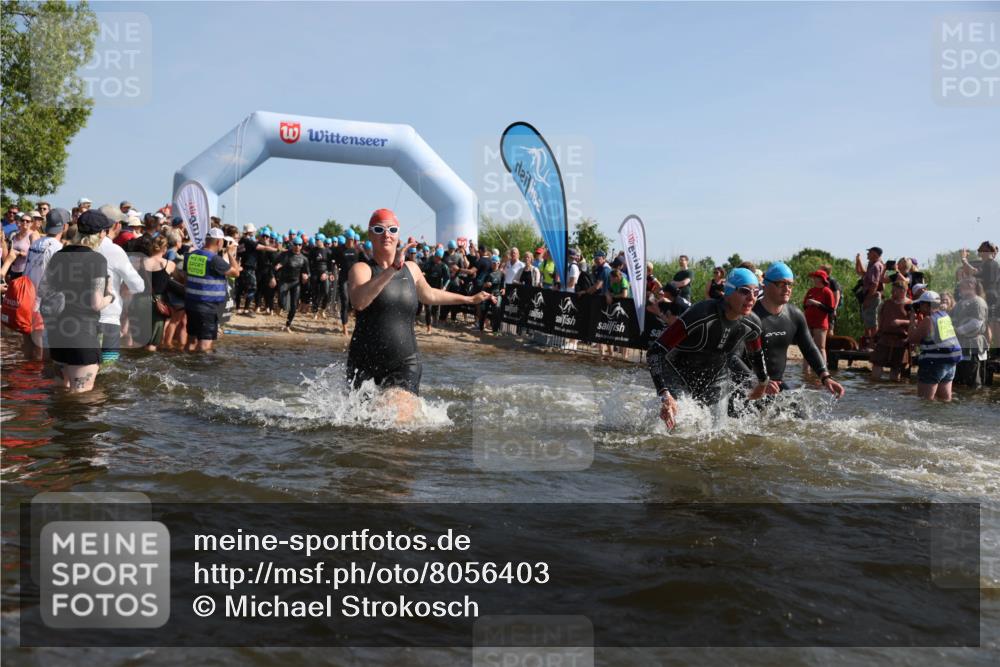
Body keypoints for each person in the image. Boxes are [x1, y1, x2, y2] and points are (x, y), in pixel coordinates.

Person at [346, 209, 494, 417]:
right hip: (364, 363)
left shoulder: (412, 268)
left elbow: (430, 295)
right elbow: (359, 302)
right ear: (370, 234)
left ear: (398, 235)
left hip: (404, 363)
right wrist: (392, 269)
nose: (386, 234)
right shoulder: (362, 269)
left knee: (397, 418)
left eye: (392, 230)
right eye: (379, 229)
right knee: (364, 425)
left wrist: (469, 299)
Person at [648, 268, 780, 429]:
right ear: (728, 292)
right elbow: (655, 351)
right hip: (677, 374)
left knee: (718, 433)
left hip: (716, 379)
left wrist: (762, 382)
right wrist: (664, 394)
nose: (751, 297)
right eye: (745, 291)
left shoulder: (752, 324)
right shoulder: (701, 313)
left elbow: (756, 355)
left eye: (755, 292)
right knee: (681, 430)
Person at [730, 262, 844, 414]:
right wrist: (760, 381)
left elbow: (809, 348)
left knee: (802, 417)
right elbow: (732, 357)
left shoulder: (794, 315)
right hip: (746, 386)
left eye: (790, 284)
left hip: (775, 386)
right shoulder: (748, 316)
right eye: (781, 284)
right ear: (765, 285)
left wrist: (826, 377)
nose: (787, 288)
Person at [40, 209, 116, 392]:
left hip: (58, 334)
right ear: (101, 234)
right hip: (82, 334)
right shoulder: (97, 260)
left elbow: (42, 290)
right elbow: (96, 304)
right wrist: (110, 295)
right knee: (82, 396)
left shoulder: (59, 255)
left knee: (60, 390)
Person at [22, 208, 71, 359]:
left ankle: (26, 372)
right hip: (45, 304)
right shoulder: (58, 248)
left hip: (28, 299)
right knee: (44, 350)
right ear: (64, 226)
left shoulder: (35, 244)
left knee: (28, 345)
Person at [183, 227, 240, 352]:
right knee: (205, 345)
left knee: (191, 341)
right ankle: (201, 364)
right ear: (219, 242)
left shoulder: (191, 256)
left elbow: (185, 276)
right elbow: (236, 272)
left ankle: (185, 362)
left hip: (191, 304)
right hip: (207, 307)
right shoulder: (215, 260)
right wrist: (230, 254)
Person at [906, 290, 961, 401]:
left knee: (925, 402)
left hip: (933, 364)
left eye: (920, 304)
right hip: (950, 362)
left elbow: (912, 339)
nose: (919, 307)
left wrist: (912, 321)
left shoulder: (928, 320)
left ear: (926, 306)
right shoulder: (945, 316)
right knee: (944, 401)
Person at [129, 235, 176, 351]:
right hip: (157, 303)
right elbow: (179, 279)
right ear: (165, 249)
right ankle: (149, 362)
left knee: (137, 340)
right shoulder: (169, 264)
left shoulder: (139, 263)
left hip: (139, 300)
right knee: (152, 343)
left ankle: (134, 362)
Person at [960, 242, 1000, 353]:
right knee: (988, 324)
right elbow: (970, 272)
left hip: (990, 297)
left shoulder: (991, 263)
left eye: (982, 250)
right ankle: (989, 351)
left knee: (990, 325)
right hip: (988, 297)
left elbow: (973, 272)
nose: (980, 252)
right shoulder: (986, 264)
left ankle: (989, 351)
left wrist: (964, 259)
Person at [951, 278, 989, 388]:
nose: (961, 288)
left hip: (973, 343)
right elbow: (953, 318)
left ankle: (973, 397)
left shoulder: (978, 302)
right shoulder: (960, 303)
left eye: (964, 285)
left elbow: (976, 323)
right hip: (960, 343)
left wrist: (958, 330)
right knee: (959, 380)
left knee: (973, 380)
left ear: (972, 286)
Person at [870, 280, 910, 382]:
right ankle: (873, 389)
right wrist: (876, 335)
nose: (892, 293)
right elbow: (880, 319)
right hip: (884, 338)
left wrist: (901, 322)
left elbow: (916, 322)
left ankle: (893, 390)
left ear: (903, 291)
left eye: (895, 291)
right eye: (892, 290)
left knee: (896, 369)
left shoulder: (910, 304)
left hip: (901, 341)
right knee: (877, 365)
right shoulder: (887, 303)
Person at [273, 236, 310, 332]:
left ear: (301, 246)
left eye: (299, 245)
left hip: (295, 283)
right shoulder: (285, 255)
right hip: (284, 281)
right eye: (296, 244)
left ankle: (287, 325)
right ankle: (279, 306)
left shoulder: (304, 259)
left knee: (294, 306)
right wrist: (275, 272)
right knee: (282, 303)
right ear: (292, 245)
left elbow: (307, 272)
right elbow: (273, 265)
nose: (297, 246)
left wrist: (306, 276)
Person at [802, 269, 836, 365]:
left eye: (815, 277)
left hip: (820, 324)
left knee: (820, 347)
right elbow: (804, 306)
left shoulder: (828, 292)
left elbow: (831, 310)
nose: (813, 279)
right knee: (807, 347)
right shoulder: (811, 290)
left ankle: (823, 369)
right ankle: (805, 370)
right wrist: (807, 304)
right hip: (808, 322)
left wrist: (817, 303)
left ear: (821, 279)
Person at [855, 246, 885, 348]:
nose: (867, 254)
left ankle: (873, 345)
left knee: (872, 322)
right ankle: (868, 344)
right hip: (870, 296)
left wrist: (868, 299)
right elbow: (861, 273)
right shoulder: (872, 265)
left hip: (872, 296)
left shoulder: (876, 266)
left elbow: (875, 284)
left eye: (870, 252)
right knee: (868, 321)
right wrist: (858, 260)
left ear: (875, 254)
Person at [332, 233, 360, 335]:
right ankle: (345, 327)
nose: (351, 241)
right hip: (343, 278)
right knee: (344, 301)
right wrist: (332, 272)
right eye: (349, 239)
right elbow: (333, 262)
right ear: (346, 239)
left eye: (352, 239)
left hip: (354, 279)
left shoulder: (356, 250)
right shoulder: (339, 250)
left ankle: (355, 323)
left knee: (354, 303)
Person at [422, 248, 450, 332]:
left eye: (439, 258)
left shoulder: (443, 266)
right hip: (427, 288)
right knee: (428, 308)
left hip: (437, 289)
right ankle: (429, 327)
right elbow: (422, 272)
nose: (437, 259)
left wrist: (444, 287)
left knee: (436, 307)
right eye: (436, 257)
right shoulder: (428, 264)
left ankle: (435, 321)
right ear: (434, 256)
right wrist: (423, 274)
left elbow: (448, 278)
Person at [7, 213, 39, 280]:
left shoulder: (32, 235)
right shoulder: (14, 235)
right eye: (23, 220)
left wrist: (20, 253)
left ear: (31, 223)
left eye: (27, 221)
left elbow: (36, 255)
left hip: (25, 271)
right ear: (20, 221)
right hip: (13, 270)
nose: (25, 222)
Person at [308, 235, 332, 318]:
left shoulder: (328, 251)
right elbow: (309, 263)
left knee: (326, 292)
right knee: (315, 293)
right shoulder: (313, 251)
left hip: (324, 273)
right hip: (315, 273)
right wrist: (309, 273)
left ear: (322, 240)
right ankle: (315, 312)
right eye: (315, 239)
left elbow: (330, 265)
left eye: (317, 239)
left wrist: (327, 273)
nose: (316, 241)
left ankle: (323, 309)